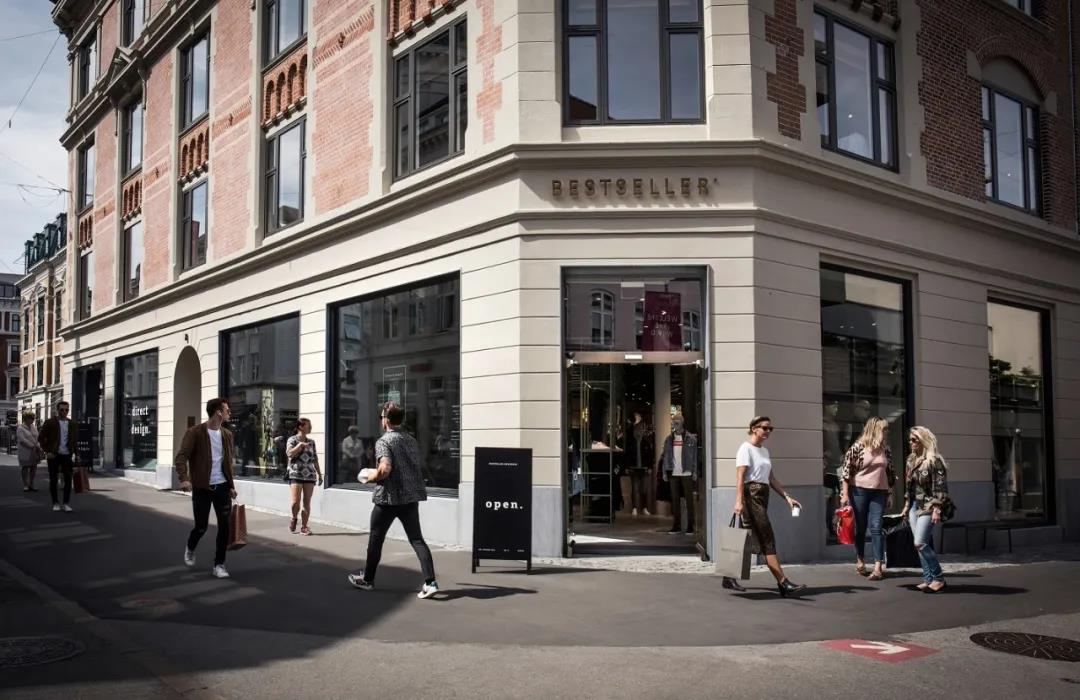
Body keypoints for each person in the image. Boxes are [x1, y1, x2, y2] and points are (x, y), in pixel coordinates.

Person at [347, 401, 439, 599]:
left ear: (386, 420)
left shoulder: (384, 441)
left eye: (381, 417)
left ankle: (368, 580)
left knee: (376, 539)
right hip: (410, 498)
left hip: (388, 499)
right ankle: (430, 582)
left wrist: (369, 477)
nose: (381, 420)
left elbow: (385, 468)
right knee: (417, 540)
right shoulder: (410, 440)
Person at [730, 416, 807, 597]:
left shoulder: (764, 451)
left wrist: (787, 498)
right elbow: (740, 477)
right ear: (754, 428)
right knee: (767, 538)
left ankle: (728, 576)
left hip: (763, 496)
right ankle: (783, 582)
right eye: (765, 428)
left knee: (750, 538)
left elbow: (771, 478)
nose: (768, 431)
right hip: (751, 496)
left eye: (770, 428)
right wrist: (739, 501)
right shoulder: (745, 448)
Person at [175, 397, 237, 579]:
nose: (229, 412)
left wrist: (231, 486)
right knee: (201, 526)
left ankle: (219, 564)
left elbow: (227, 463)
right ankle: (190, 547)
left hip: (222, 487)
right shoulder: (195, 432)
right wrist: (184, 479)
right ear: (218, 412)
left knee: (225, 526)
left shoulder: (227, 435)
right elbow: (181, 457)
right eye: (227, 410)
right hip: (202, 487)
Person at [840, 417, 895, 581]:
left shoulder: (885, 449)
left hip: (880, 492)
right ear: (875, 430)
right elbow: (846, 472)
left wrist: (890, 493)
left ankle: (878, 566)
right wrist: (844, 494)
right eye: (884, 429)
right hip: (859, 491)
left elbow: (890, 473)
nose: (886, 432)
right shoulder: (858, 447)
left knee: (877, 527)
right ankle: (860, 559)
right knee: (861, 527)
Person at [901, 426, 952, 593]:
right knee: (920, 545)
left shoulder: (934, 461)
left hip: (929, 505)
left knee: (920, 542)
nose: (911, 443)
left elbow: (940, 486)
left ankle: (939, 579)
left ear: (923, 440)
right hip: (914, 506)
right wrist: (906, 505)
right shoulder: (911, 460)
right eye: (910, 440)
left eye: (914, 440)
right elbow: (909, 486)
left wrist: (937, 508)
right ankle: (928, 579)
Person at [38, 401, 78, 512]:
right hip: (54, 455)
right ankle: (55, 502)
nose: (64, 412)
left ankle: (66, 503)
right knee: (53, 479)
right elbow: (41, 438)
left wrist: (77, 454)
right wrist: (47, 451)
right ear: (57, 410)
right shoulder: (50, 422)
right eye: (62, 410)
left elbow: (74, 440)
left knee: (68, 480)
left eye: (66, 410)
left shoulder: (72, 424)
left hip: (67, 455)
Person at [285, 417, 322, 535]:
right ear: (300, 427)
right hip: (296, 474)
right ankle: (294, 518)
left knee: (307, 502)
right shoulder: (292, 440)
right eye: (308, 425)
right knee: (296, 502)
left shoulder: (312, 442)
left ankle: (304, 526)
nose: (310, 427)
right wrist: (300, 445)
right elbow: (289, 453)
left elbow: (315, 459)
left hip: (310, 475)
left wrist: (319, 474)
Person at [661, 414, 697, 535]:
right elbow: (665, 456)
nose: (675, 424)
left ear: (682, 422)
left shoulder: (690, 438)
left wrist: (695, 471)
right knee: (675, 500)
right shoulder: (669, 439)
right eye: (673, 422)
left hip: (686, 472)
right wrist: (664, 472)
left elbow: (695, 456)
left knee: (689, 500)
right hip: (673, 472)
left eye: (677, 422)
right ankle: (676, 526)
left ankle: (691, 526)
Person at [17, 412, 42, 492]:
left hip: (34, 451)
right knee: (25, 467)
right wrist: (32, 446)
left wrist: (38, 446)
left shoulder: (33, 427)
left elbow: (37, 438)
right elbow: (22, 440)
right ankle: (25, 485)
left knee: (33, 467)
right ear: (26, 419)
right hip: (25, 450)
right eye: (31, 418)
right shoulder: (20, 428)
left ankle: (31, 484)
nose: (32, 420)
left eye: (33, 418)